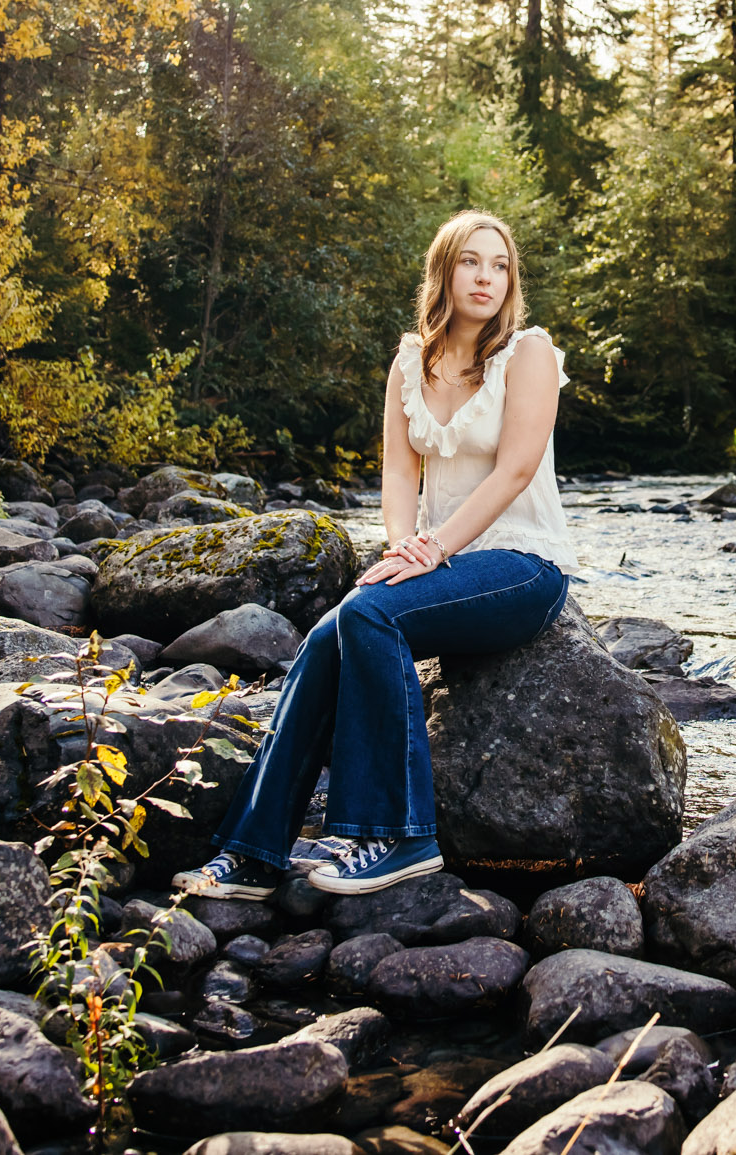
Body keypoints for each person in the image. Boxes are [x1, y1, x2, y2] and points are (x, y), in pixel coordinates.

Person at [175, 210, 578, 899]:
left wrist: (431, 550)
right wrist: (403, 545)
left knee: (371, 615)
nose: (487, 277)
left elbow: (515, 470)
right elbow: (398, 477)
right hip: (440, 561)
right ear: (444, 271)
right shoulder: (409, 363)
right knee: (332, 632)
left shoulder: (529, 352)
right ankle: (254, 850)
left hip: (521, 563)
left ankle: (396, 834)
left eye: (500, 264)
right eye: (471, 262)